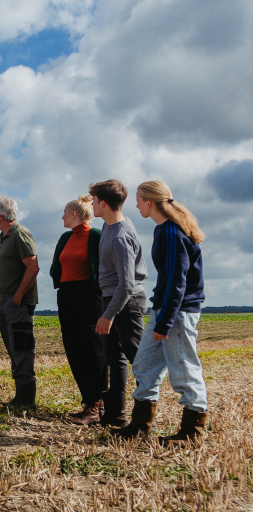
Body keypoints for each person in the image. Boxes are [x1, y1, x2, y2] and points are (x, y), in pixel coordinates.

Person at [113, 181, 208, 445]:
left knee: (184, 369)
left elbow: (177, 281)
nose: (136, 204)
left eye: (138, 199)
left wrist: (164, 322)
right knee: (144, 364)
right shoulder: (164, 230)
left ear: (149, 203)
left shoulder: (171, 233)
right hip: (164, 310)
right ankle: (140, 426)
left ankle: (192, 433)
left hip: (176, 313)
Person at [89, 179, 149, 427]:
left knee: (139, 360)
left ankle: (144, 418)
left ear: (103, 203)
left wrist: (108, 315)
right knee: (115, 356)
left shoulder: (119, 237)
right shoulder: (111, 225)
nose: (91, 205)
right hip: (113, 298)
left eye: (93, 201)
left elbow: (126, 284)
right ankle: (116, 415)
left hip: (126, 302)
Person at [50, 195, 105, 425]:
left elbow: (104, 266)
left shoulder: (95, 235)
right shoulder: (65, 237)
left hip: (89, 297)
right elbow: (57, 266)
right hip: (67, 296)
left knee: (92, 349)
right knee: (73, 348)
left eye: (65, 212)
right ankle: (88, 402)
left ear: (74, 214)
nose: (62, 216)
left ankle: (97, 405)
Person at [0, 196, 40, 410]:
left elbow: (33, 267)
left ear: (1, 215)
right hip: (4, 303)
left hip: (17, 305)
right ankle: (20, 397)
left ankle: (27, 400)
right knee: (13, 349)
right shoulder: (3, 236)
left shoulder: (20, 234)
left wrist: (17, 298)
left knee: (21, 349)